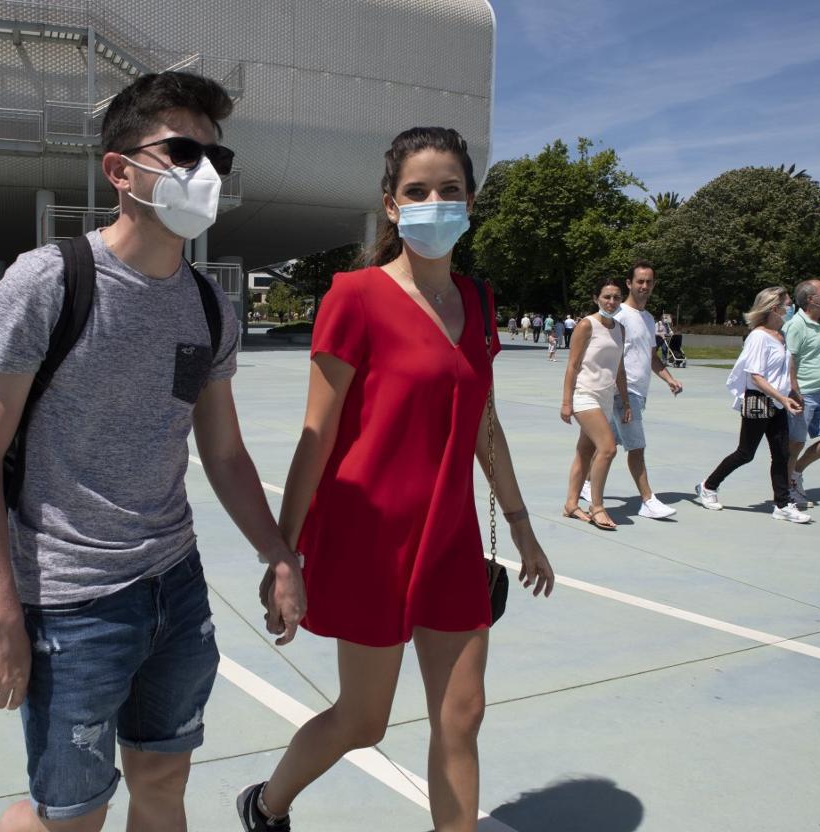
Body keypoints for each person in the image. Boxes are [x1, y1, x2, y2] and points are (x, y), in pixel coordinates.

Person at [0, 71, 304, 832]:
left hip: (175, 589)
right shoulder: (49, 282)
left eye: (217, 158)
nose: (204, 173)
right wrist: (0, 615)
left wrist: (278, 552)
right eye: (183, 151)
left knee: (162, 787)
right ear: (119, 170)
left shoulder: (211, 307)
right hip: (70, 602)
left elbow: (226, 452)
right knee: (72, 818)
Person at [236, 127, 554, 832]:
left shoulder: (479, 301)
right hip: (368, 540)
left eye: (449, 190)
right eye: (418, 192)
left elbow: (484, 426)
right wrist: (282, 554)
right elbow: (314, 438)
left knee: (461, 719)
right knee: (364, 721)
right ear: (391, 205)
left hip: (450, 540)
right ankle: (265, 804)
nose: (433, 203)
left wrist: (524, 528)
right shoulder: (354, 296)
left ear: (471, 202)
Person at [696, 287, 810, 522]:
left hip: (779, 403)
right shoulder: (759, 336)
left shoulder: (781, 335)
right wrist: (782, 398)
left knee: (781, 454)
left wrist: (793, 392)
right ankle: (708, 486)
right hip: (759, 401)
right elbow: (756, 375)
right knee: (745, 453)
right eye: (787, 305)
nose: (791, 309)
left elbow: (784, 368)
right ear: (774, 308)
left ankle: (782, 504)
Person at [579, 261, 682, 520]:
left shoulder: (648, 319)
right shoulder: (619, 314)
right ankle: (647, 499)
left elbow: (650, 356)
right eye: (639, 281)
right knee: (636, 447)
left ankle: (585, 486)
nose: (644, 286)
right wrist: (620, 395)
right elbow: (607, 355)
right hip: (623, 392)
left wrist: (668, 378)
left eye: (649, 282)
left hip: (638, 391)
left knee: (605, 443)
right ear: (629, 284)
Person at [560, 278, 631, 531]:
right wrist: (567, 402)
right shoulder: (586, 325)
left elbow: (619, 369)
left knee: (585, 452)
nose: (611, 302)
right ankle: (597, 506)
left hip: (605, 398)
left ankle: (571, 504)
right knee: (608, 448)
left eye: (616, 297)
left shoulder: (620, 329)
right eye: (606, 297)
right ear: (596, 299)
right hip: (584, 395)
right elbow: (573, 365)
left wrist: (625, 400)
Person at [784, 278, 820, 509]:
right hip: (803, 393)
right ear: (811, 299)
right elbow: (789, 360)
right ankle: (787, 488)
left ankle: (796, 472)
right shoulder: (796, 325)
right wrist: (794, 390)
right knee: (796, 443)